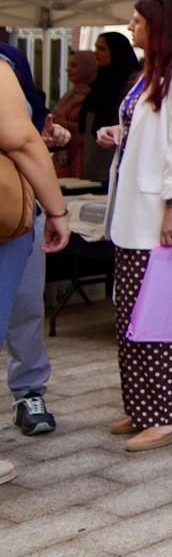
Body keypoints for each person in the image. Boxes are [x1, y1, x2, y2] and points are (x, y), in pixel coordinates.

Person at [95, 0, 172, 452]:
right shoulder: (153, 76)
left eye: (137, 20)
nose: (131, 27)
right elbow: (155, 134)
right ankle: (145, 405)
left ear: (160, 26)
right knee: (130, 316)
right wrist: (121, 133)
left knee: (154, 318)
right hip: (135, 216)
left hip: (156, 217)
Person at [0, 50, 70, 484]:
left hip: (14, 211)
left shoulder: (10, 60)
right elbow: (22, 140)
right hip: (8, 217)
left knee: (24, 305)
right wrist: (57, 210)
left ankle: (29, 391)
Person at [80, 31, 138, 183]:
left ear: (116, 51)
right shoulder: (99, 80)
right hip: (94, 152)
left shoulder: (132, 82)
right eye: (96, 48)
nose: (96, 53)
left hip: (116, 153)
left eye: (102, 49)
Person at [50, 50, 97, 179]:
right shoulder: (70, 94)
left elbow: (90, 129)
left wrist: (65, 124)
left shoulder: (94, 96)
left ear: (87, 68)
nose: (68, 70)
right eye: (68, 65)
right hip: (63, 154)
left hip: (81, 156)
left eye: (74, 66)